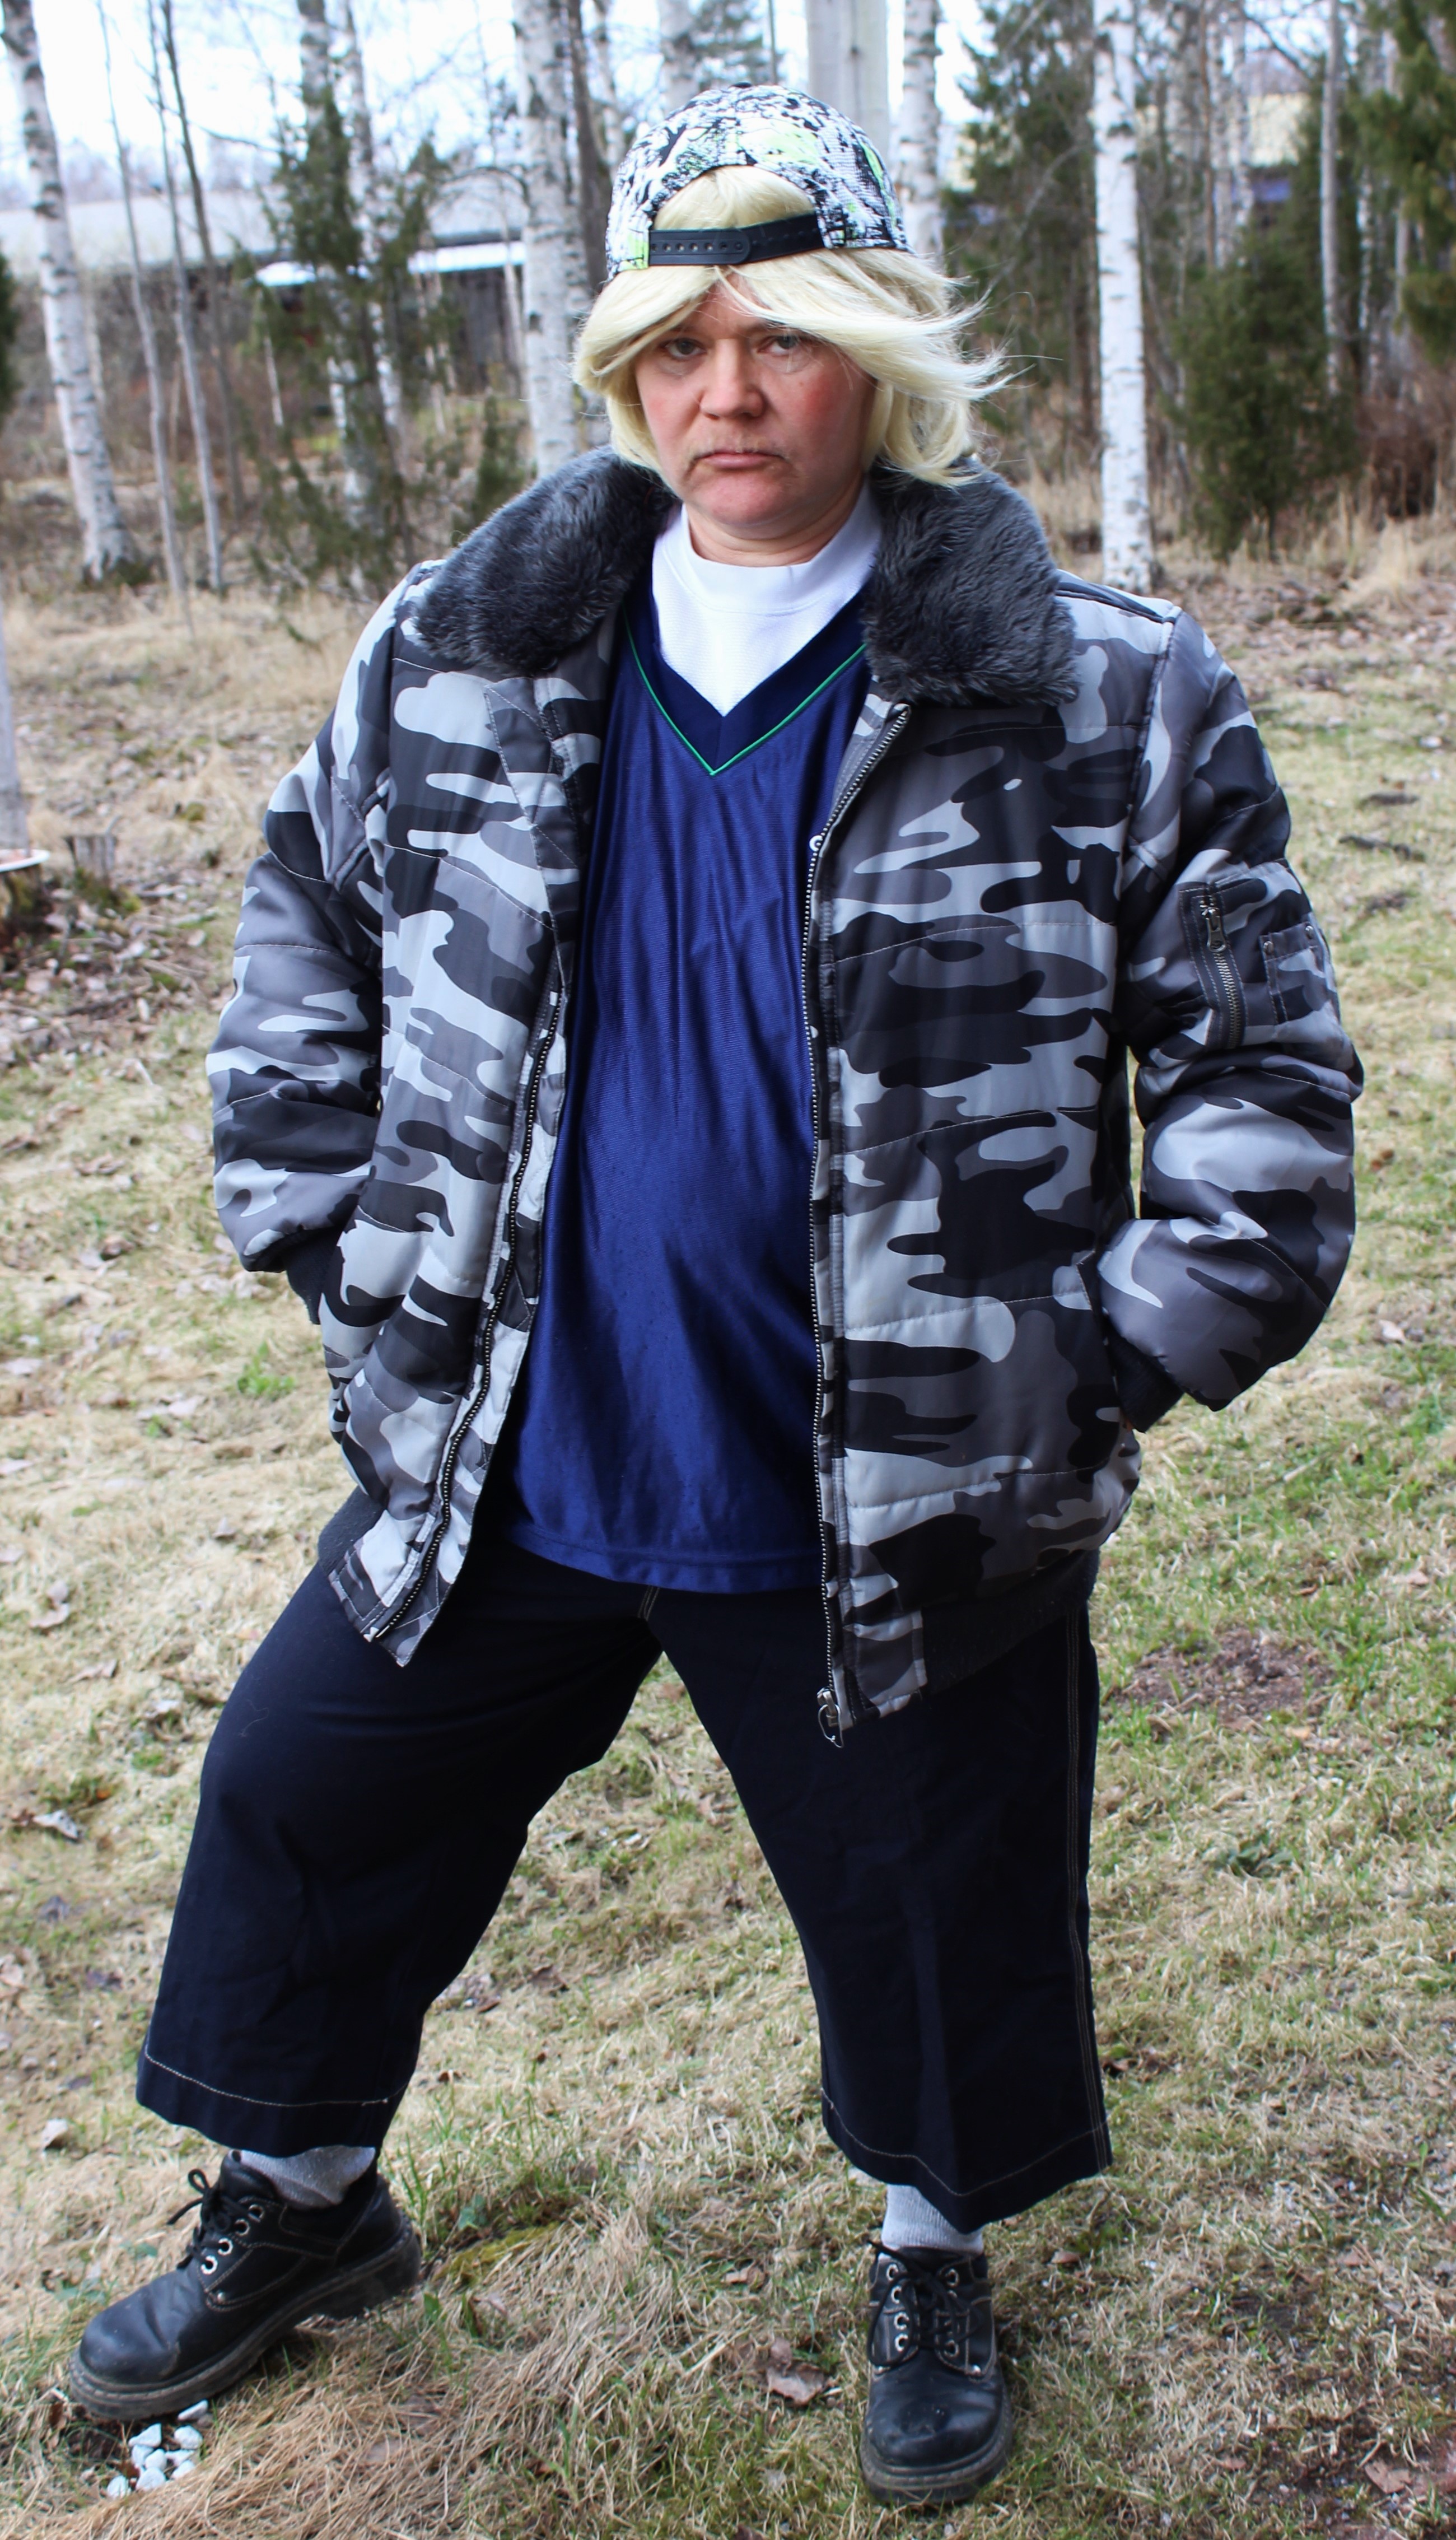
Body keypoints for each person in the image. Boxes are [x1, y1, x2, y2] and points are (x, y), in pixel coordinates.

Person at [71, 87, 1360, 2508]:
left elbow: (1263, 1077)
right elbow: (304, 926)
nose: (726, 393)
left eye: (782, 339)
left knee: (933, 1902)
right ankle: (307, 2202)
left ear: (880, 359)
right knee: (299, 1796)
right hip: (515, 1442)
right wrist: (339, 1245)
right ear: (624, 370)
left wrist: (1087, 1366)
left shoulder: (1095, 690)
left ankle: (930, 2240)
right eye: (677, 343)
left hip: (890, 1488)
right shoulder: (462, 652)